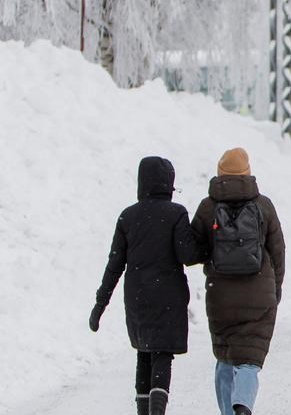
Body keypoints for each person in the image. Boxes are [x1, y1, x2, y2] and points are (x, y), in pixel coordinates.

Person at [91, 156, 201, 415]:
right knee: (162, 353)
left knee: (143, 352)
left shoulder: (128, 216)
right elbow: (188, 255)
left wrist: (100, 304)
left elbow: (114, 265)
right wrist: (206, 243)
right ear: (168, 184)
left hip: (137, 296)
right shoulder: (176, 214)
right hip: (168, 296)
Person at [191, 148, 286, 415]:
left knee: (225, 356)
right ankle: (242, 404)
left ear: (220, 174)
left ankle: (228, 412)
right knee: (249, 360)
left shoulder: (208, 207)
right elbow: (278, 251)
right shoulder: (263, 206)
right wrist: (276, 287)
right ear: (248, 173)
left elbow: (194, 250)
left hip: (221, 296)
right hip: (259, 293)